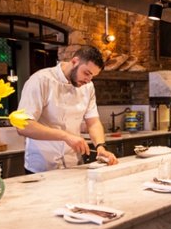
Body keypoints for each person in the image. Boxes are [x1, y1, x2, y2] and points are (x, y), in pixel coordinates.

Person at [17, 45, 118, 173]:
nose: (88, 80)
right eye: (86, 73)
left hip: (73, 166)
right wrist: (66, 136)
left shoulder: (88, 87)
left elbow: (93, 122)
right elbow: (23, 126)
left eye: (92, 76)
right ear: (74, 61)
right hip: (42, 167)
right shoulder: (40, 80)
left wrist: (101, 147)